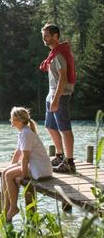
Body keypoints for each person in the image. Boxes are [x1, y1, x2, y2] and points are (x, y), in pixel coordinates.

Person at [1, 106, 52, 222]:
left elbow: (26, 157)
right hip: (35, 166)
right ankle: (7, 205)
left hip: (39, 169)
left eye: (11, 118)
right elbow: (18, 153)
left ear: (16, 119)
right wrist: (11, 166)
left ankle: (13, 207)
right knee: (5, 172)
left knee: (9, 175)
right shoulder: (23, 132)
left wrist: (22, 176)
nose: (10, 120)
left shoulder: (26, 133)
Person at [40, 23, 76, 173]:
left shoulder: (59, 54)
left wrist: (55, 99)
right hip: (52, 95)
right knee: (50, 126)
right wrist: (51, 98)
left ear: (55, 36)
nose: (44, 39)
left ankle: (69, 162)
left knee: (64, 129)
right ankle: (60, 156)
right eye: (43, 36)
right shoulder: (54, 53)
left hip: (60, 96)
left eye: (47, 36)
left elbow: (63, 78)